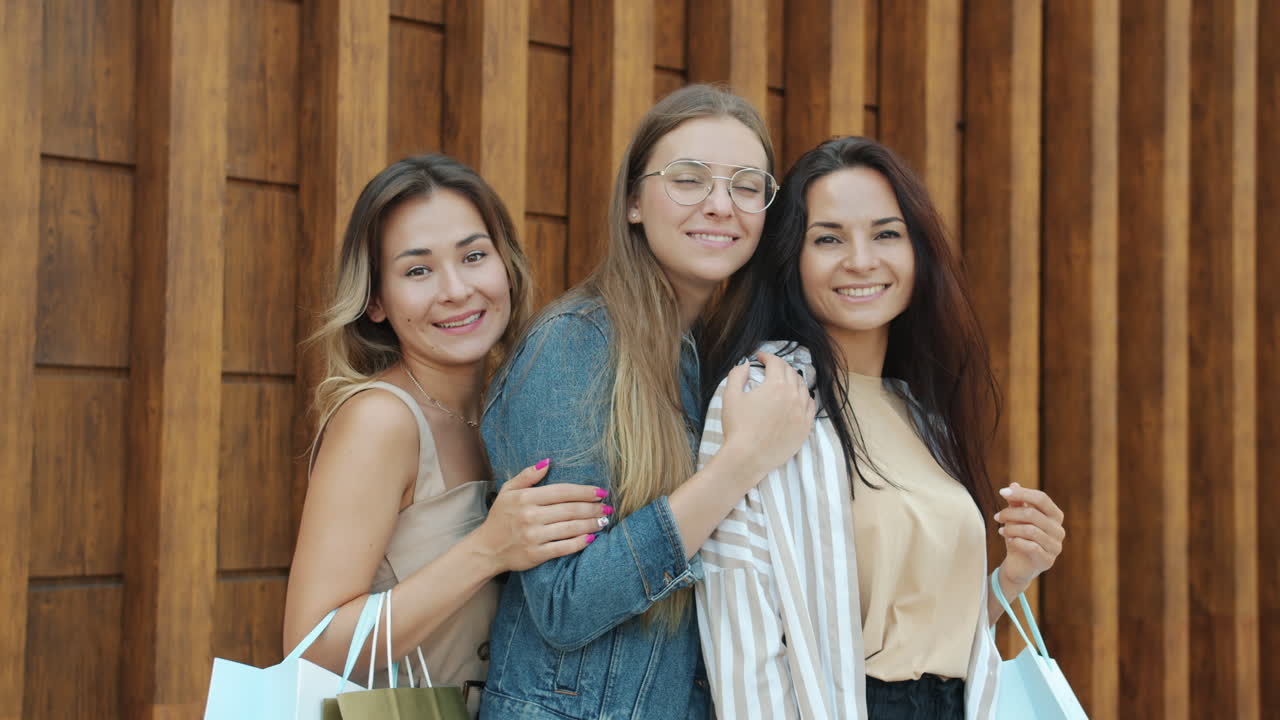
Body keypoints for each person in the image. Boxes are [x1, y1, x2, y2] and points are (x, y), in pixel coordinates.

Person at [695, 136, 1067, 719]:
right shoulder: (766, 391)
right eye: (828, 239)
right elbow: (740, 628)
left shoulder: (921, 413)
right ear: (791, 258)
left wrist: (1011, 578)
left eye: (886, 233)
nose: (862, 260)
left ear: (918, 251)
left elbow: (925, 638)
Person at [477, 85, 816, 719]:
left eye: (747, 185)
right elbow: (565, 603)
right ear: (634, 201)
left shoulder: (710, 358)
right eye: (688, 179)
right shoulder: (575, 347)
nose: (721, 205)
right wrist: (739, 464)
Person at [283, 154, 608, 714]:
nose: (456, 290)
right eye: (417, 270)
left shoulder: (517, 406)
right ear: (376, 301)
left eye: (474, 256)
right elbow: (310, 649)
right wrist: (488, 550)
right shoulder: (380, 421)